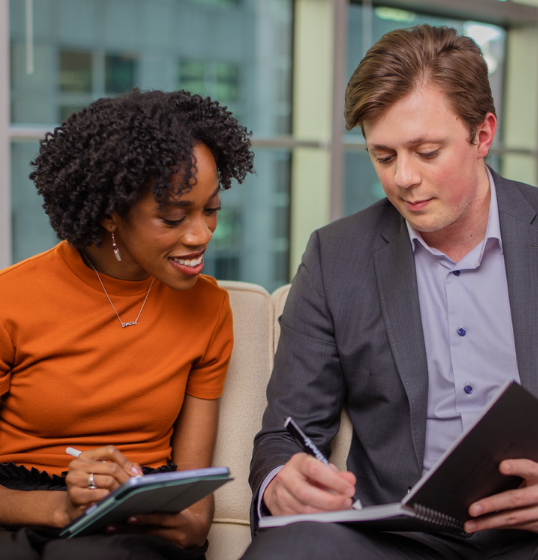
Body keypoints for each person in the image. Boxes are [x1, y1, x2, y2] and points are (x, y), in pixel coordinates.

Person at [241, 24, 538, 560]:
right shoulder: (337, 257)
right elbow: (283, 436)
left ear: (482, 134)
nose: (403, 178)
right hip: (403, 543)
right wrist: (283, 480)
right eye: (383, 156)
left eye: (426, 152)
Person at [0, 89, 254, 559]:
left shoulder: (209, 308)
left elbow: (197, 502)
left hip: (136, 518)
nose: (201, 235)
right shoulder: (9, 302)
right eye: (173, 216)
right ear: (109, 215)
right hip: (22, 510)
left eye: (211, 209)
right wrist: (61, 508)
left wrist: (191, 522)